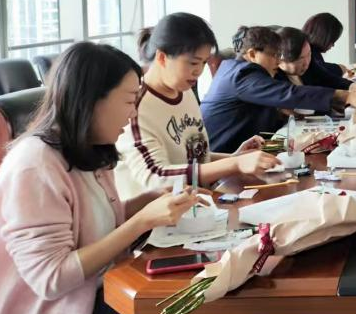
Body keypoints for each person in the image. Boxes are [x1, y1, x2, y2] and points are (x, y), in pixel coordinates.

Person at [0, 42, 264, 314]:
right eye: (130, 100)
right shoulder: (34, 165)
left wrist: (147, 201)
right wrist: (141, 221)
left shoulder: (86, 150)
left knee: (216, 313)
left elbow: (98, 222)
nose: (133, 114)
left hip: (92, 300)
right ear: (92, 100)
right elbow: (51, 279)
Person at [115, 12, 280, 199]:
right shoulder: (136, 108)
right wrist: (234, 164)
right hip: (158, 212)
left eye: (203, 63)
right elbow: (156, 176)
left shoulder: (183, 89)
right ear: (162, 57)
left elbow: (193, 157)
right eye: (193, 63)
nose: (199, 71)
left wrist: (236, 158)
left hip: (196, 202)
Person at [201, 26, 356, 153]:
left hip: (251, 145)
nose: (278, 61)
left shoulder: (235, 69)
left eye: (280, 55)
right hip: (226, 154)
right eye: (274, 55)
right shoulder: (242, 74)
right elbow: (287, 93)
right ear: (252, 54)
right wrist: (345, 96)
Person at [301, 12, 353, 89]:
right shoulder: (308, 51)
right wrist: (340, 68)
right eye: (332, 41)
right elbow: (320, 73)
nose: (333, 45)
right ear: (323, 37)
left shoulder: (311, 50)